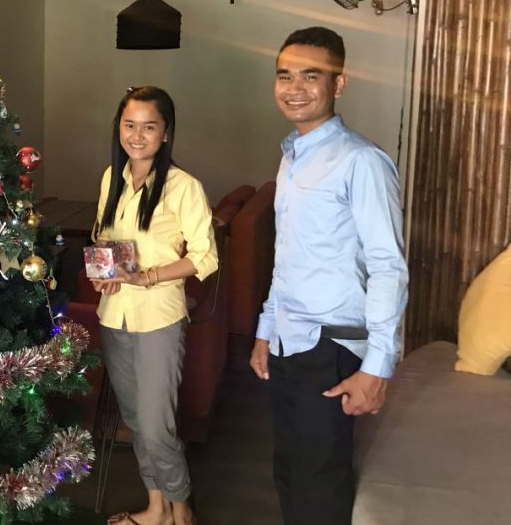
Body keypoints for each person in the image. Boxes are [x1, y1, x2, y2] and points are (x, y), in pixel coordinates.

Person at [249, 27, 408, 525]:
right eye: (285, 75)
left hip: (333, 346)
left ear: (338, 84)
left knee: (321, 483)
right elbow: (288, 256)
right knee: (291, 471)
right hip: (289, 341)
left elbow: (388, 266)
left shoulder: (361, 161)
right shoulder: (292, 157)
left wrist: (378, 366)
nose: (294, 87)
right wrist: (264, 329)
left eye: (310, 76)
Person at [91, 86, 218, 525]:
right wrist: (104, 270)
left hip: (159, 317)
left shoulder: (184, 187)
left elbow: (205, 256)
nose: (138, 135)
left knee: (157, 423)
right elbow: (104, 235)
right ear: (119, 128)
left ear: (166, 133)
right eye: (130, 125)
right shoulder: (113, 177)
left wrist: (146, 276)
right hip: (115, 315)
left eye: (150, 126)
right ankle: (155, 506)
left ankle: (182, 511)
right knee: (134, 417)